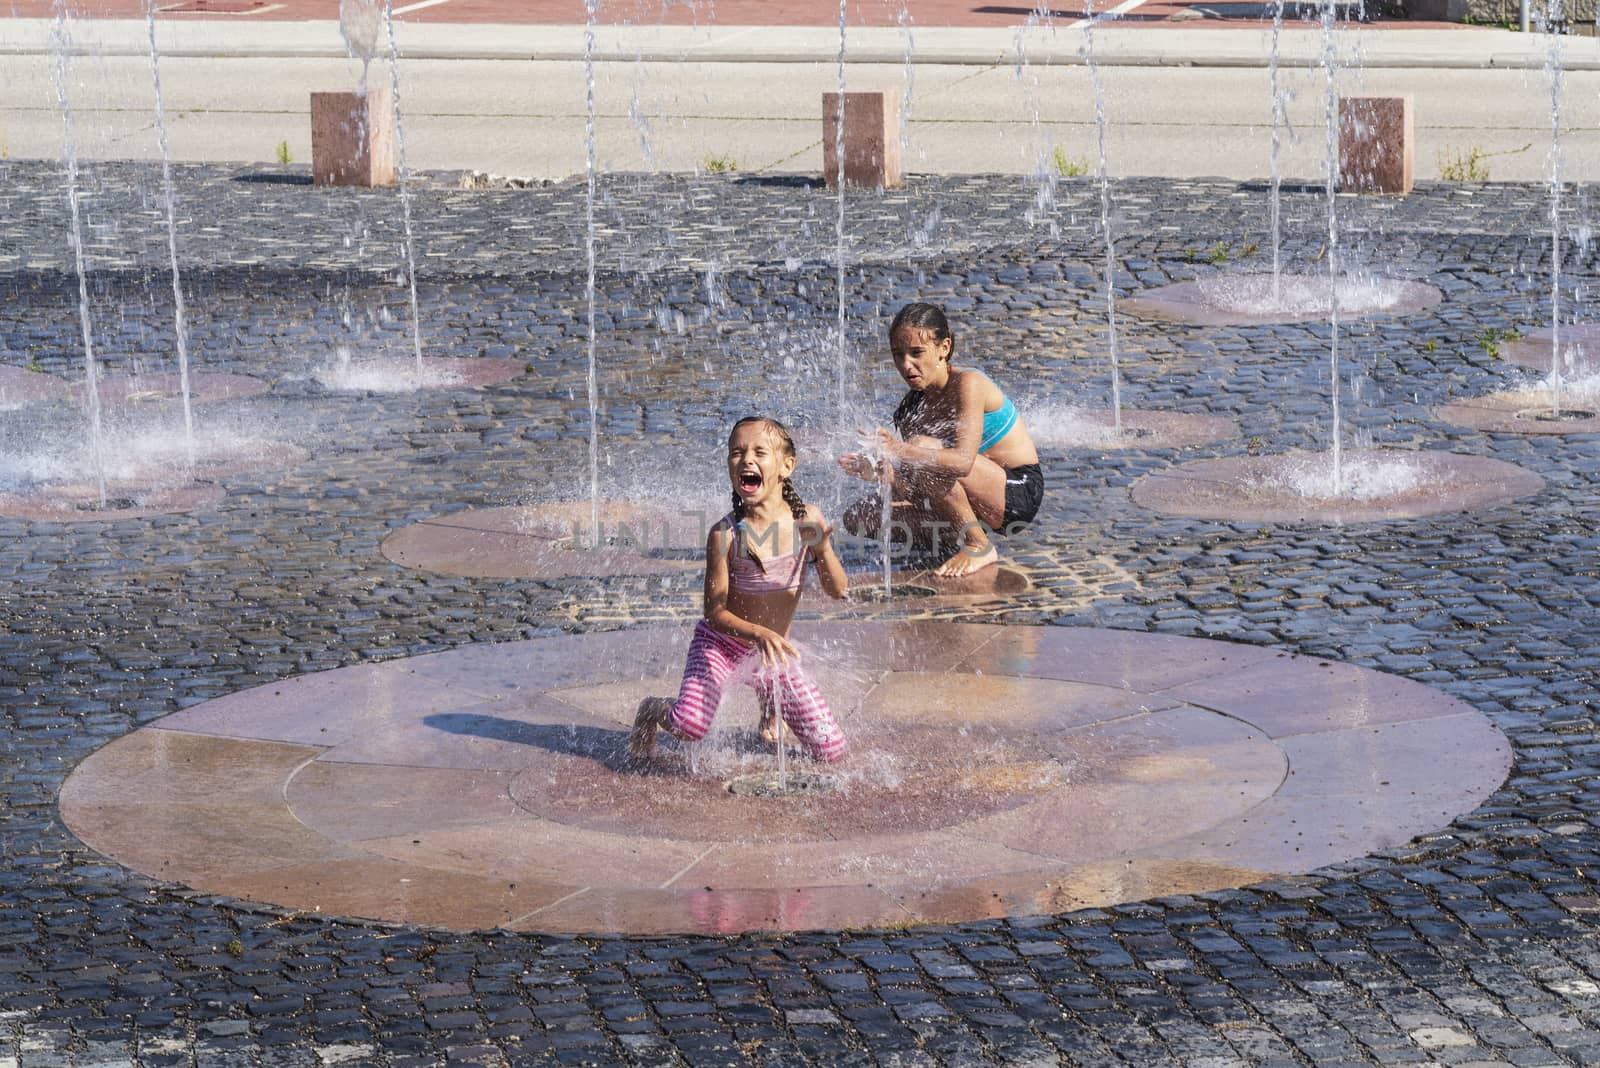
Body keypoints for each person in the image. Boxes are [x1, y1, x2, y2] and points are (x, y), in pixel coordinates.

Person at [629, 416, 850, 766]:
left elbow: (838, 591)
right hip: (721, 645)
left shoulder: (807, 519)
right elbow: (714, 613)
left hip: (772, 653)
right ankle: (652, 710)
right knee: (690, 725)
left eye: (760, 452)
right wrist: (758, 632)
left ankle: (770, 707)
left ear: (786, 466)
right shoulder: (725, 534)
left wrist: (823, 549)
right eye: (737, 453)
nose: (746, 459)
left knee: (830, 748)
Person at [838, 302, 1044, 576]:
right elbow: (918, 490)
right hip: (966, 497)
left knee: (921, 450)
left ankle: (978, 545)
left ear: (944, 348)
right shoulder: (912, 409)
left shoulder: (969, 383)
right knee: (860, 517)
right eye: (898, 355)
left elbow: (960, 464)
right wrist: (885, 475)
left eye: (916, 353)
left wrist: (898, 449)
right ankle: (954, 534)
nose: (906, 365)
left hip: (1014, 493)